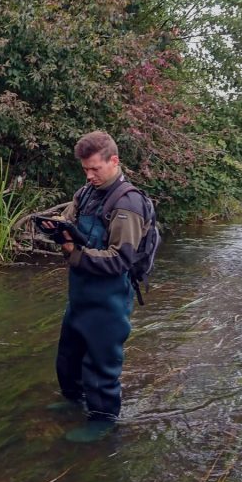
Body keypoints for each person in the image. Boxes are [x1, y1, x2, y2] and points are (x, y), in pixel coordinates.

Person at [45, 131, 153, 442]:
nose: (90, 175)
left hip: (110, 298)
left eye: (95, 169)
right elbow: (70, 226)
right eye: (85, 170)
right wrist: (57, 229)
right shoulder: (85, 193)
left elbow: (120, 259)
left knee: (101, 365)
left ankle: (103, 421)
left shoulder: (128, 203)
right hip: (80, 293)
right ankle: (73, 404)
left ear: (114, 161)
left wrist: (72, 252)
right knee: (69, 357)